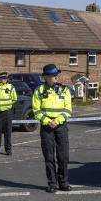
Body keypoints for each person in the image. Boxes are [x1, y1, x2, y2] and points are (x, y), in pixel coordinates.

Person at [33, 64, 72, 193]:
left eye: (56, 75)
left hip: (61, 126)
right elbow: (36, 110)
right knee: (49, 156)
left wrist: (58, 120)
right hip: (47, 127)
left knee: (63, 156)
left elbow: (68, 109)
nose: (55, 77)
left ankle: (64, 182)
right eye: (52, 75)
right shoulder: (39, 90)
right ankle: (52, 183)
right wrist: (48, 121)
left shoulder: (64, 90)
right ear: (46, 77)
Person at [0, 72, 17, 155]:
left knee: (7, 132)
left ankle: (8, 150)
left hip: (7, 113)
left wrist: (7, 106)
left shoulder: (11, 87)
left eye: (5, 78)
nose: (4, 80)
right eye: (2, 78)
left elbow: (14, 99)